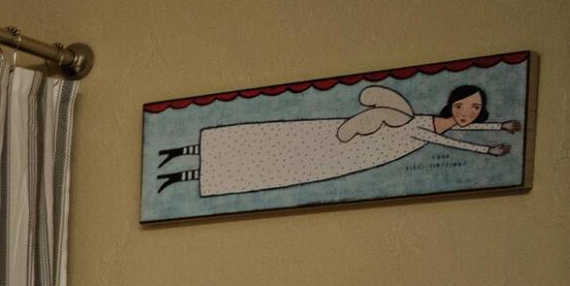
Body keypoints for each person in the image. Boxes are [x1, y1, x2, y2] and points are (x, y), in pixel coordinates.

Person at [156, 80, 522, 195]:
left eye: (474, 109)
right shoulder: (420, 123)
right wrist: (487, 151)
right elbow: (449, 141)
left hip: (365, 155)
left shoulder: (439, 123)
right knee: (280, 147)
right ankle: (183, 152)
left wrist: (499, 128)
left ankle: (182, 173)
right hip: (359, 146)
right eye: (463, 106)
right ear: (452, 103)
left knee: (289, 168)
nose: (467, 113)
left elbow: (458, 131)